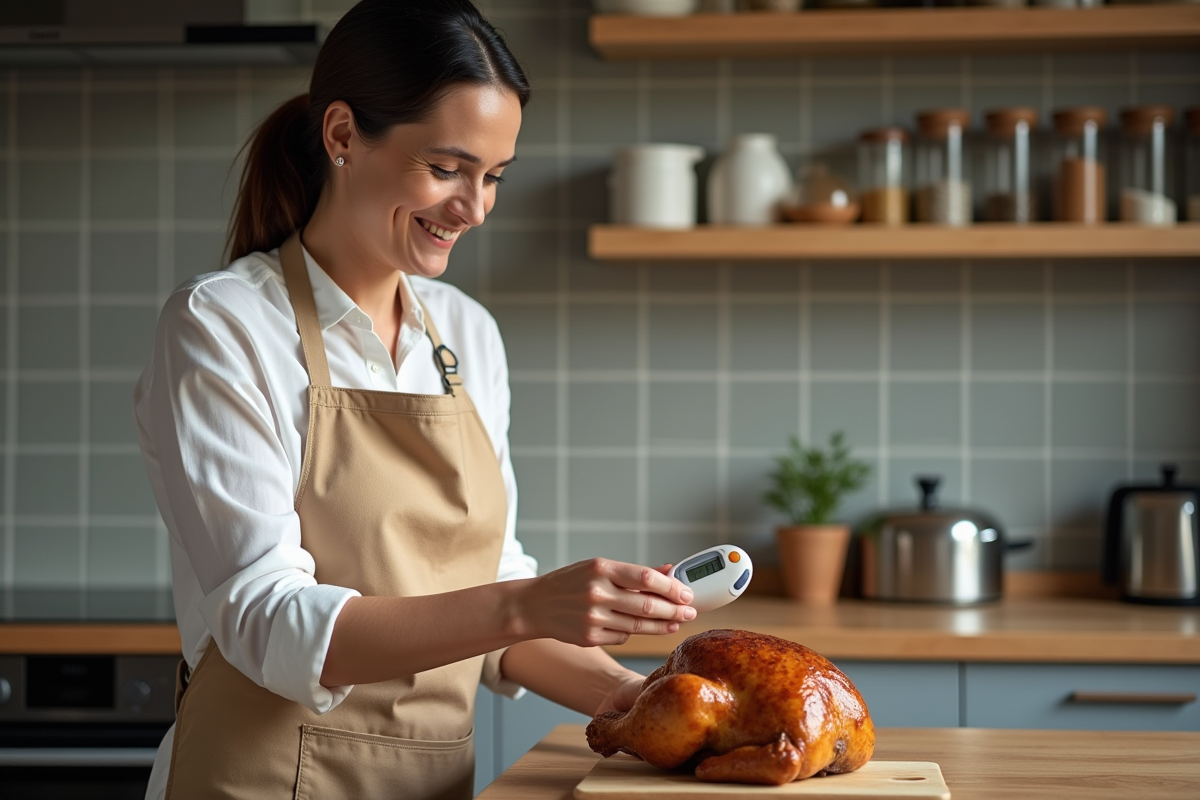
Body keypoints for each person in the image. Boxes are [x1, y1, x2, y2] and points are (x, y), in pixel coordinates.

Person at [132, 2, 695, 798]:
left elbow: (503, 616)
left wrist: (643, 701)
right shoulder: (222, 326)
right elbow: (270, 623)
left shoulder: (467, 333)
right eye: (447, 168)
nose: (475, 208)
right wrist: (527, 601)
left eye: (494, 176)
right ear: (341, 137)